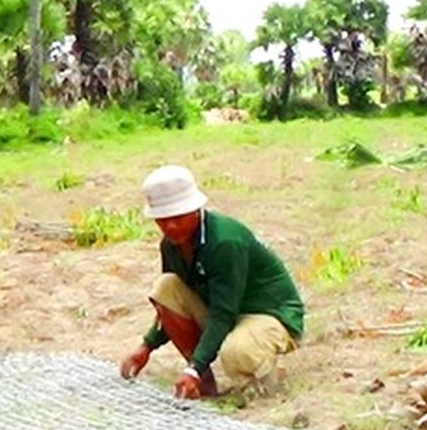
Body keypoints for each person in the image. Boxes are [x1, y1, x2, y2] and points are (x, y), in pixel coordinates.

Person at [119, 164, 305, 400]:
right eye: (162, 220)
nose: (170, 227)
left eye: (177, 217)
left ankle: (265, 383)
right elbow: (171, 306)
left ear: (196, 210)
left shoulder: (225, 242)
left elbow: (223, 313)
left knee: (237, 352)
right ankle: (204, 383)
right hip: (226, 309)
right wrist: (146, 347)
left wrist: (192, 369)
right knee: (165, 287)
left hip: (267, 313)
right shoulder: (171, 245)